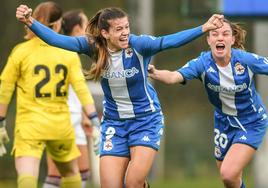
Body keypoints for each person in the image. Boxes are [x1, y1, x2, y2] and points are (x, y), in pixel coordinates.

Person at [16, 5, 223, 188]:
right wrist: (30, 22)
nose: (125, 33)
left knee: (132, 183)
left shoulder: (139, 45)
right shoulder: (93, 47)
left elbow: (170, 42)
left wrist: (203, 28)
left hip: (146, 121)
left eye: (127, 27)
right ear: (105, 33)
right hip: (115, 124)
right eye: (119, 29)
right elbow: (57, 40)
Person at [148, 19, 268, 188]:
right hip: (223, 122)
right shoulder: (202, 63)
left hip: (251, 122)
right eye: (215, 34)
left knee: (228, 173)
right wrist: (155, 72)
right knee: (230, 180)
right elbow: (174, 76)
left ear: (232, 40)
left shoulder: (245, 60)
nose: (220, 38)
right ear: (209, 40)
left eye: (225, 34)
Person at [0, 2, 100, 188]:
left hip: (30, 125)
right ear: (57, 24)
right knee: (71, 174)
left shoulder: (21, 52)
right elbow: (81, 89)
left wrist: (1, 122)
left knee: (27, 175)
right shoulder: (67, 53)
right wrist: (94, 120)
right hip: (60, 125)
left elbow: (5, 89)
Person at [43, 9, 99, 188]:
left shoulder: (72, 54)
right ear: (77, 29)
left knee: (82, 172)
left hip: (75, 120)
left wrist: (84, 117)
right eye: (86, 25)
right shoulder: (62, 54)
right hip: (61, 119)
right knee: (55, 175)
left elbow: (76, 92)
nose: (89, 30)